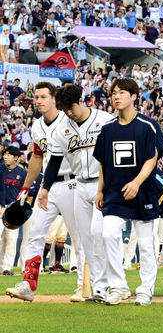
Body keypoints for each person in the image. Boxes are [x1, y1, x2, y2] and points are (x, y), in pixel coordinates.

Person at [34, 84, 116, 303]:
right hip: (80, 185)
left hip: (103, 184)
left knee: (100, 234)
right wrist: (45, 189)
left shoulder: (105, 120)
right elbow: (54, 162)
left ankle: (116, 285)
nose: (69, 112)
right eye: (64, 108)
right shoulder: (63, 128)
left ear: (81, 100)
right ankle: (100, 289)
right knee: (86, 239)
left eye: (71, 107)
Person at [92, 78, 163, 306]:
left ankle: (146, 289)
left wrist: (136, 183)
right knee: (107, 234)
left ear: (134, 96)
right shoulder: (107, 129)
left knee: (146, 245)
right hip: (114, 193)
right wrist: (99, 190)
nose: (116, 96)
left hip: (143, 192)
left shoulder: (148, 125)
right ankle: (118, 287)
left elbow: (152, 157)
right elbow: (103, 162)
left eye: (122, 92)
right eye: (114, 92)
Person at [4, 83, 82, 302]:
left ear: (54, 99)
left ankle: (83, 287)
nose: (38, 101)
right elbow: (37, 159)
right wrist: (26, 188)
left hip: (73, 183)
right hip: (48, 187)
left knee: (78, 237)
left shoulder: (69, 121)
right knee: (36, 233)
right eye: (36, 97)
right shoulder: (37, 126)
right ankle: (28, 284)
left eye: (43, 97)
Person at [0, 147, 30, 274]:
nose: (6, 157)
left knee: (12, 239)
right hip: (0, 206)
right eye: (5, 154)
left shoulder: (22, 173)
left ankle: (7, 267)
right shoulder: (0, 169)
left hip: (13, 208)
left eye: (9, 155)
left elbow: (27, 190)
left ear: (16, 158)